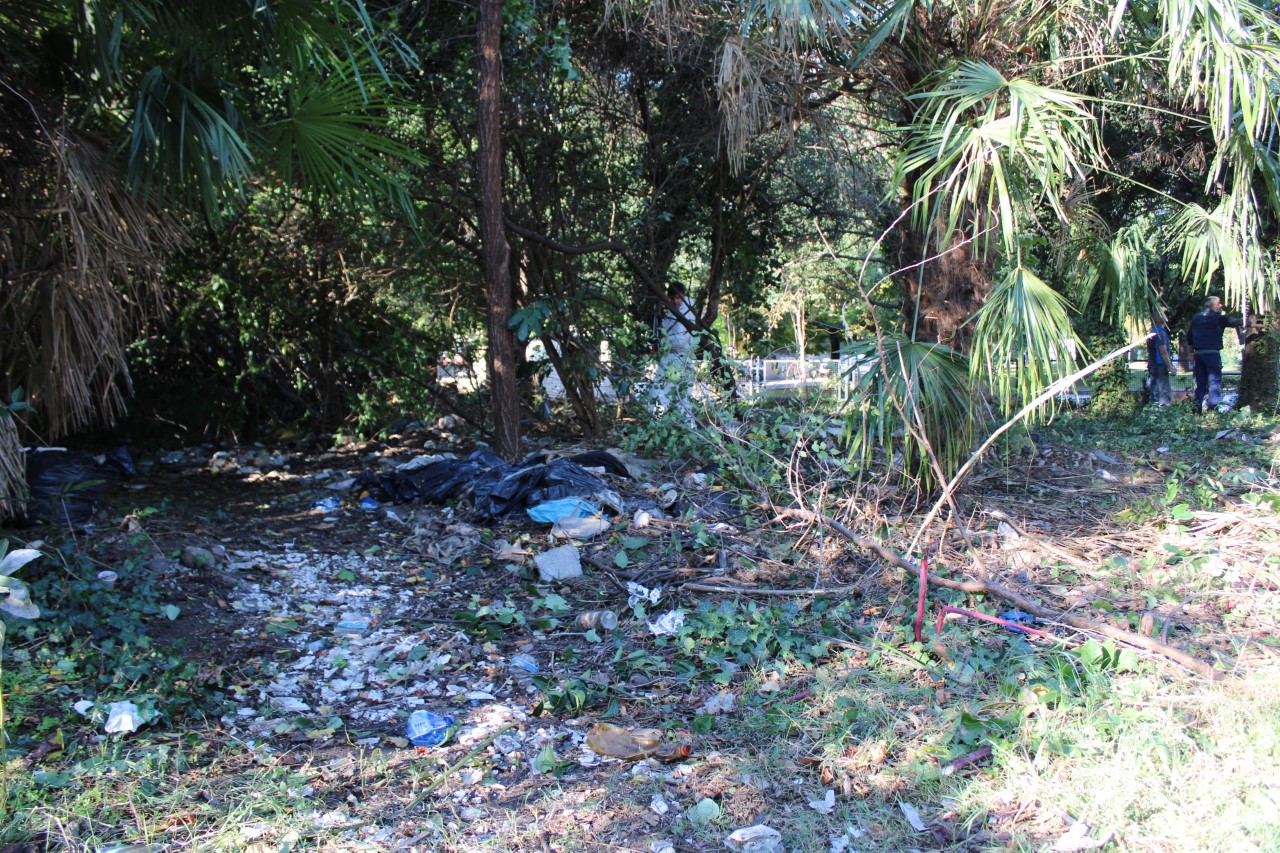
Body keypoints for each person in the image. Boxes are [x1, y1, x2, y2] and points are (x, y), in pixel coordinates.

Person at [1187, 295, 1243, 412]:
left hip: (1199, 355)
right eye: (1219, 303)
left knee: (1200, 384)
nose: (1221, 305)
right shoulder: (1218, 318)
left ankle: (1196, 410)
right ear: (1211, 305)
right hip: (1212, 354)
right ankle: (1212, 409)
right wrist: (1253, 322)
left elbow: (1189, 336)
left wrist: (1191, 353)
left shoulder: (1196, 318)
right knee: (1214, 383)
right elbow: (1234, 321)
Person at [1147, 311, 1176, 406]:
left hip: (1153, 364)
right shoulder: (1160, 333)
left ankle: (1153, 411)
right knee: (1164, 391)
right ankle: (1163, 412)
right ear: (1161, 319)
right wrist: (1170, 366)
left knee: (1154, 391)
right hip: (1160, 365)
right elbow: (1163, 351)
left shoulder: (1153, 331)